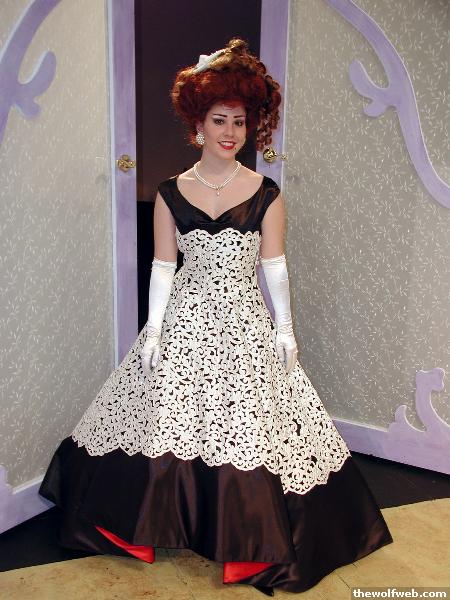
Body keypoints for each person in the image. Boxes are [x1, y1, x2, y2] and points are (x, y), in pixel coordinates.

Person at [39, 38, 393, 596]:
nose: (230, 132)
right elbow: (163, 267)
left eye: (240, 121)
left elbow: (274, 267)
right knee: (163, 416)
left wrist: (285, 332)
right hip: (184, 317)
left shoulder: (265, 192)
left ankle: (247, 543)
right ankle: (138, 526)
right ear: (198, 124)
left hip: (245, 321)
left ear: (252, 127)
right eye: (219, 120)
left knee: (246, 423)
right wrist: (154, 330)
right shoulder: (170, 192)